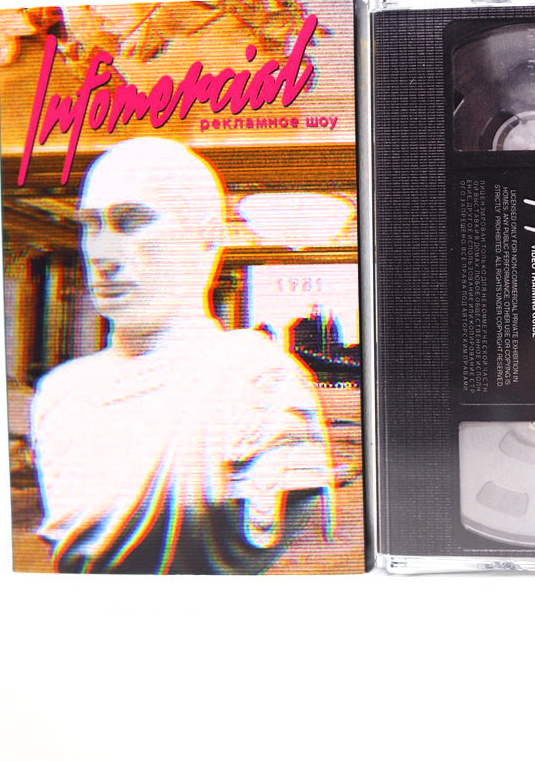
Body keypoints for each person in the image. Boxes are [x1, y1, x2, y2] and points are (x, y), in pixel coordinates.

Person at [29, 137, 343, 573]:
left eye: (131, 221)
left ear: (206, 240)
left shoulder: (257, 381)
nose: (101, 254)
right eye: (91, 225)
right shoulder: (60, 392)